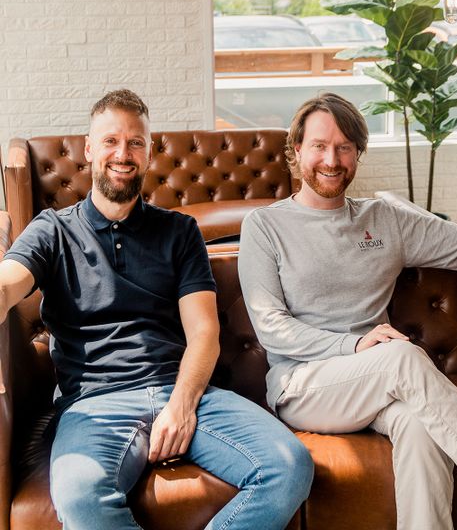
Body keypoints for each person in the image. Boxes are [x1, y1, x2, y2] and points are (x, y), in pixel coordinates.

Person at [0, 88, 313, 530]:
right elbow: (7, 285)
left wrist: (182, 406)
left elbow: (204, 332)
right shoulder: (53, 230)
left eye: (135, 142)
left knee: (289, 466)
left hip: (181, 389)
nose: (122, 154)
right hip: (95, 403)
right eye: (110, 141)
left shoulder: (179, 232)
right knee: (80, 498)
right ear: (88, 149)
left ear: (149, 153)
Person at [238, 92, 457, 530]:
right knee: (402, 357)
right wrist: (354, 344)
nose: (331, 160)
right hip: (304, 385)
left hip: (379, 383)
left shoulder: (386, 220)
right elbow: (272, 328)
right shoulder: (265, 226)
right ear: (297, 149)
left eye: (344, 147)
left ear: (357, 153)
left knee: (420, 425)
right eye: (319, 146)